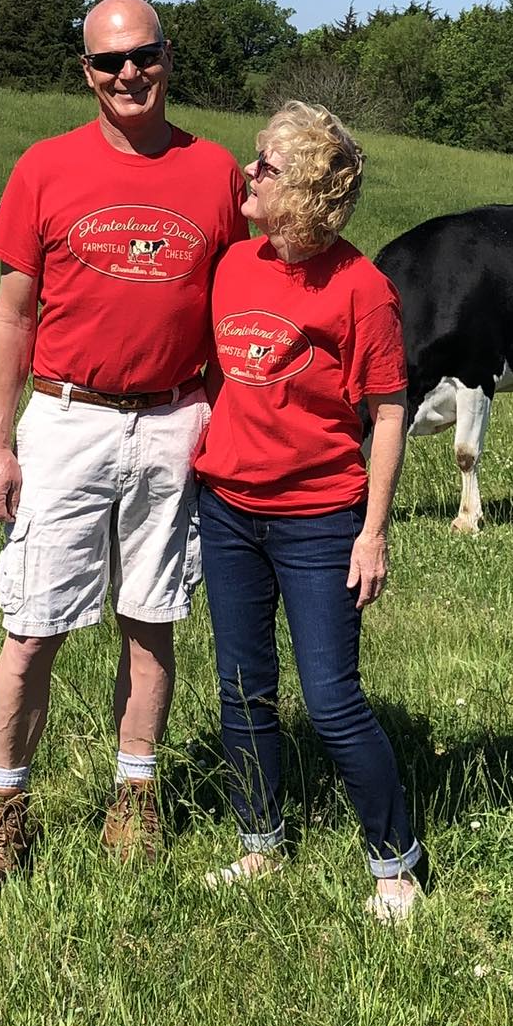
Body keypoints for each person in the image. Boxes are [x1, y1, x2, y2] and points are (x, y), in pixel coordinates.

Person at [0, 0, 247, 884]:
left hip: (172, 420)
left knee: (152, 616)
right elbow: (12, 317)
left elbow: (241, 302)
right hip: (67, 418)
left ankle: (136, 794)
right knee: (33, 626)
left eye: (143, 56)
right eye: (108, 62)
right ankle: (4, 810)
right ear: (85, 72)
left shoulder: (215, 172)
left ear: (168, 58)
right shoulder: (47, 167)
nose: (129, 74)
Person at [193, 100, 423, 923]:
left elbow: (389, 412)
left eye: (267, 166)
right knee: (245, 688)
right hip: (225, 510)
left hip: (321, 520)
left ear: (309, 195)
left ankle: (395, 862)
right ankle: (261, 843)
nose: (247, 172)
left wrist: (373, 532)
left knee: (330, 700)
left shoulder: (363, 289)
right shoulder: (231, 263)